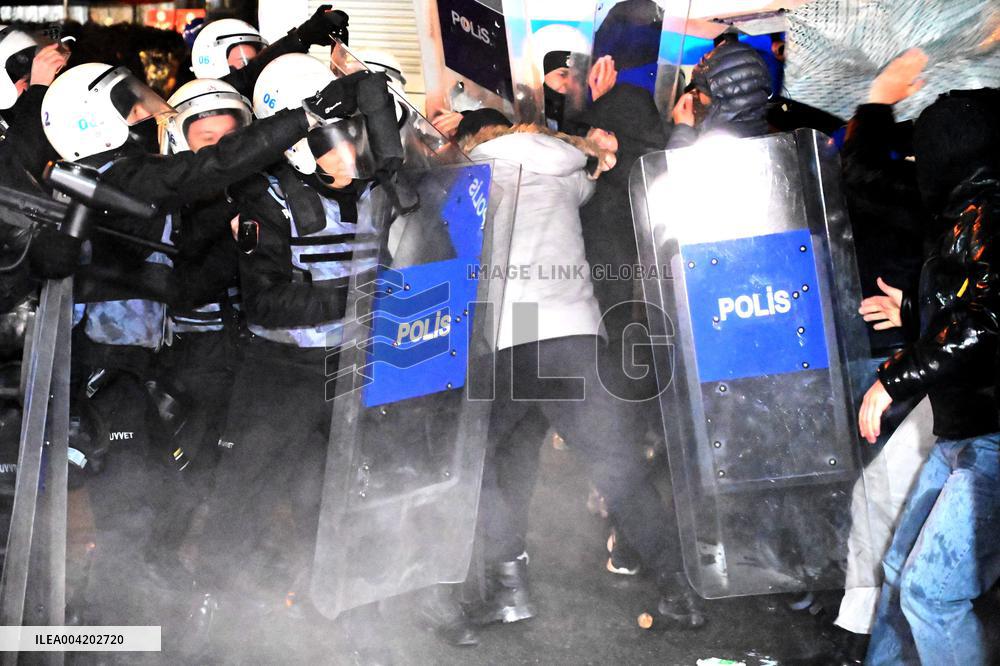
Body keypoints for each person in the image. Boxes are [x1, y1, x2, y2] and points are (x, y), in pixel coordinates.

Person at [184, 53, 403, 657]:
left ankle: (340, 624)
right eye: (341, 134)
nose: (355, 147)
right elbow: (267, 304)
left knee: (343, 502)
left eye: (356, 131)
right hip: (281, 375)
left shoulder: (371, 192)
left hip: (350, 372)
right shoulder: (268, 200)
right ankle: (208, 624)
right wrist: (355, 295)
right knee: (243, 502)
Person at [456, 109, 705, 630]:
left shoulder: (474, 171)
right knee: (619, 469)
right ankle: (679, 588)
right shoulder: (564, 172)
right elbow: (588, 184)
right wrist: (593, 153)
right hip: (576, 333)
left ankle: (508, 586)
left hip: (516, 334)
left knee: (477, 462)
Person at [859, 88, 1000, 665]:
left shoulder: (991, 209)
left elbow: (990, 317)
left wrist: (894, 377)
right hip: (964, 431)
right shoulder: (969, 210)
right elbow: (970, 309)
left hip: (991, 436)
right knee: (898, 572)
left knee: (931, 594)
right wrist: (914, 315)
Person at [830, 48, 937, 660]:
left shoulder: (957, 186)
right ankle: (859, 630)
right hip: (919, 354)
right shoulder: (934, 181)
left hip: (928, 362)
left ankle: (867, 630)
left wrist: (876, 102)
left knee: (893, 503)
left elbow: (867, 177)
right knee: (878, 496)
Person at [668, 39, 772, 148]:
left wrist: (683, 130)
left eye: (699, 89)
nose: (694, 94)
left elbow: (674, 165)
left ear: (719, 93)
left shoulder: (718, 142)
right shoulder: (761, 129)